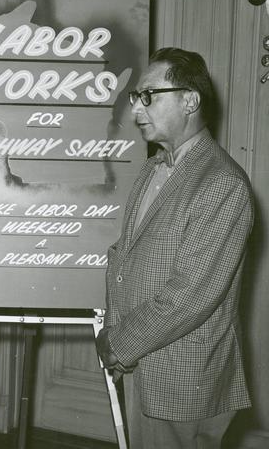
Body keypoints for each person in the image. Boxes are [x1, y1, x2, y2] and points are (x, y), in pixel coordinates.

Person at [95, 47, 253, 449]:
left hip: (184, 376)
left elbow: (191, 294)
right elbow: (124, 258)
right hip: (142, 364)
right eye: (136, 97)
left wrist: (119, 343)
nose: (137, 109)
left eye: (149, 96)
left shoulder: (222, 182)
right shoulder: (152, 167)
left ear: (190, 100)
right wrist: (116, 332)